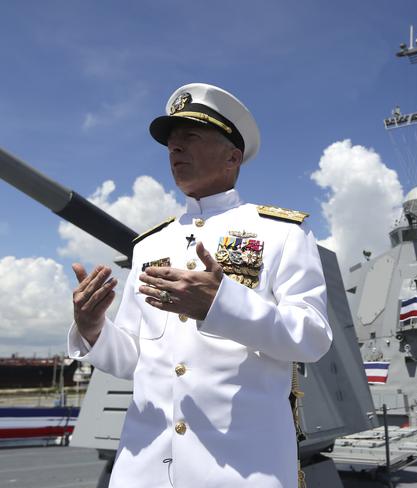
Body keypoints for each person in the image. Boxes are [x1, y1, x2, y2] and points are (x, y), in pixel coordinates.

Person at [68, 83, 332, 488]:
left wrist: (221, 305)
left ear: (233, 155)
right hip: (144, 472)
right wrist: (92, 329)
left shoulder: (283, 234)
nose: (175, 150)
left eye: (189, 137)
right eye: (171, 143)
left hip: (242, 472)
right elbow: (133, 359)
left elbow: (312, 338)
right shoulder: (149, 245)